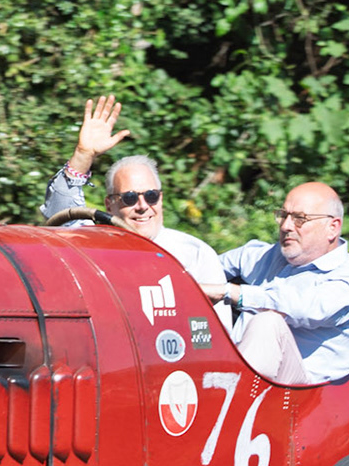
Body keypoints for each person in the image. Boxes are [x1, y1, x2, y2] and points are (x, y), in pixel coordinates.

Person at [40, 97, 230, 321]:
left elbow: (219, 330)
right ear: (109, 204)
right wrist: (83, 155)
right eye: (129, 198)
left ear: (161, 199)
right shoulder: (93, 244)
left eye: (151, 196)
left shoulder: (195, 254)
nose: (142, 206)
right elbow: (60, 212)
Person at [200, 182, 349, 386]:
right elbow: (205, 266)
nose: (286, 226)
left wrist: (228, 291)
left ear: (332, 228)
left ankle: (230, 396)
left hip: (300, 391)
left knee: (268, 322)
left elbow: (301, 307)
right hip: (234, 367)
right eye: (283, 215)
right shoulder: (270, 255)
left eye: (300, 218)